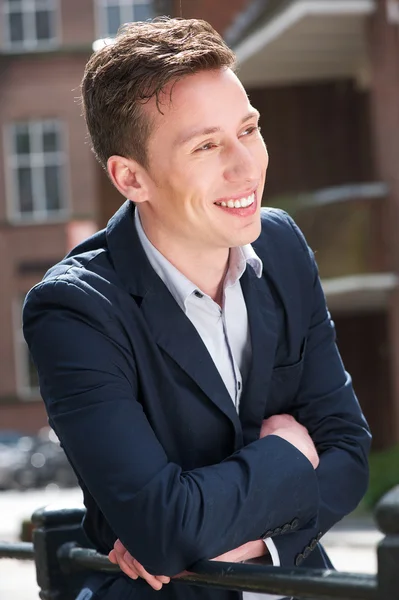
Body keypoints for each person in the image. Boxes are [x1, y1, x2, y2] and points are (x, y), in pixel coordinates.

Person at [23, 17, 371, 600]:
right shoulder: (74, 311)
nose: (246, 166)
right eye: (206, 145)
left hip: (295, 582)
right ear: (131, 177)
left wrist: (234, 544)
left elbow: (347, 453)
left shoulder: (281, 247)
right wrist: (288, 453)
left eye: (249, 129)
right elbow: (163, 527)